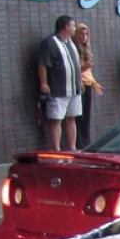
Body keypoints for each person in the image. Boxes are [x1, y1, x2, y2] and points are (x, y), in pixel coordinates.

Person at [37, 14, 83, 151]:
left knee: (71, 118)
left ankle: (72, 148)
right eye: (73, 26)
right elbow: (42, 63)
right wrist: (44, 83)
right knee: (56, 119)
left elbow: (75, 65)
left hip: (74, 89)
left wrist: (79, 81)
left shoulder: (70, 43)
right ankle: (56, 149)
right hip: (58, 89)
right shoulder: (50, 42)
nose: (75, 28)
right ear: (66, 27)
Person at [72, 21, 103, 148]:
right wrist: (85, 67)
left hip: (88, 84)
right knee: (80, 117)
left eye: (86, 34)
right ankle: (80, 144)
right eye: (81, 34)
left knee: (86, 117)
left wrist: (95, 84)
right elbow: (74, 70)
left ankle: (86, 143)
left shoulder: (86, 50)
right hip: (79, 85)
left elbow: (88, 72)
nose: (83, 36)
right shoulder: (73, 49)